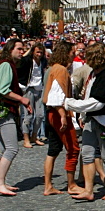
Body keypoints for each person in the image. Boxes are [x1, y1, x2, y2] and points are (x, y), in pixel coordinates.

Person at [64, 41, 105, 201]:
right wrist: (83, 115)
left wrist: (71, 104)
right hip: (90, 120)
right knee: (87, 154)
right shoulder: (93, 74)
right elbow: (87, 95)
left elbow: (97, 102)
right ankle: (88, 190)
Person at [0, 38, 32, 196]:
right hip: (4, 109)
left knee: (1, 149)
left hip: (1, 108)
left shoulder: (6, 64)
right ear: (10, 49)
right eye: (19, 49)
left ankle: (0, 181)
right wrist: (22, 99)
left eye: (23, 49)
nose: (22, 52)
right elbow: (2, 89)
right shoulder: (6, 65)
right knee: (12, 148)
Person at [42, 39, 81, 195]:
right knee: (73, 148)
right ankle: (71, 184)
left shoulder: (51, 68)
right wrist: (63, 116)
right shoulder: (61, 70)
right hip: (58, 113)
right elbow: (56, 95)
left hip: (51, 112)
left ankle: (48, 186)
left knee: (53, 150)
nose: (74, 55)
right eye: (72, 53)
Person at [20, 43, 48, 148]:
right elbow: (22, 59)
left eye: (41, 52)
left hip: (39, 88)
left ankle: (34, 136)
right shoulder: (28, 61)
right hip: (29, 88)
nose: (39, 54)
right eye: (37, 52)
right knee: (28, 115)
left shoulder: (43, 61)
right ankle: (26, 138)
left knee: (40, 115)